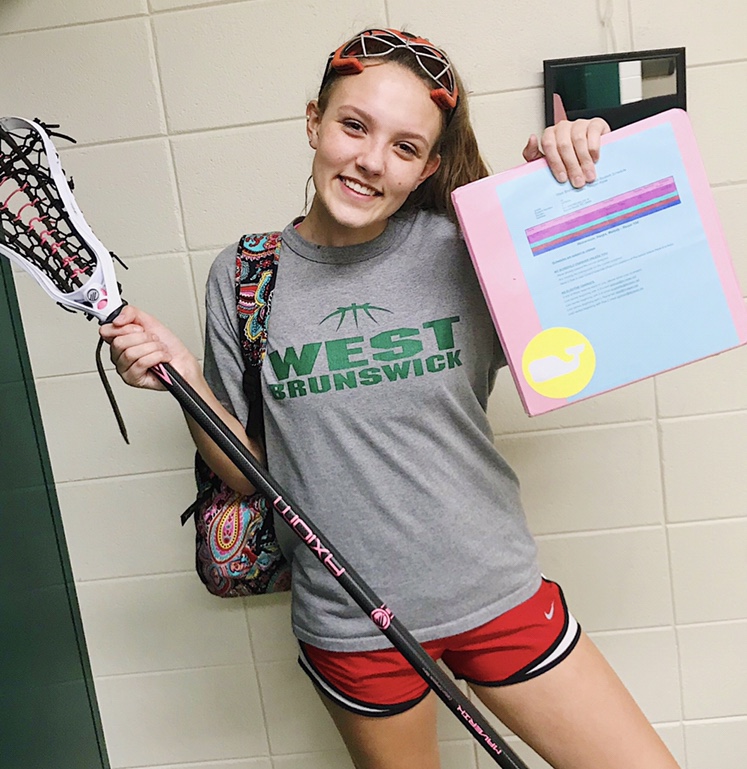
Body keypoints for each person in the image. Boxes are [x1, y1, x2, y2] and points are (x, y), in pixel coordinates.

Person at [102, 28, 681, 769]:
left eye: (405, 147)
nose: (371, 160)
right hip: (353, 628)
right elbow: (249, 476)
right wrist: (183, 378)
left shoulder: (467, 244)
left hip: (496, 596)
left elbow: (629, 303)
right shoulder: (245, 278)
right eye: (353, 126)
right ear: (313, 122)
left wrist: (571, 182)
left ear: (427, 167)